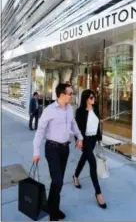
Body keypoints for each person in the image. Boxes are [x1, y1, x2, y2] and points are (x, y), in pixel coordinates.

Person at [32, 83, 83, 221]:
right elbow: (40, 131)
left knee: (57, 182)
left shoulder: (69, 109)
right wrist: (35, 152)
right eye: (70, 93)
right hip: (52, 149)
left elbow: (73, 124)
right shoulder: (49, 110)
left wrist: (80, 137)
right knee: (58, 181)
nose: (72, 95)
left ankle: (52, 207)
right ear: (61, 95)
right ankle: (53, 213)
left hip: (64, 149)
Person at [73, 89, 107, 209]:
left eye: (94, 97)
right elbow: (76, 127)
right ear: (86, 99)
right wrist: (79, 140)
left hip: (93, 140)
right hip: (85, 140)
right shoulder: (80, 111)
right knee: (92, 164)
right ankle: (98, 193)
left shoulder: (96, 109)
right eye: (91, 97)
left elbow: (98, 125)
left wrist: (99, 138)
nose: (94, 99)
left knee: (84, 159)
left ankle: (75, 176)